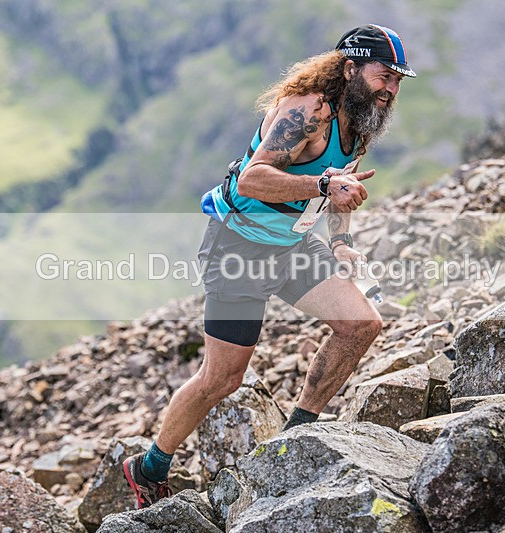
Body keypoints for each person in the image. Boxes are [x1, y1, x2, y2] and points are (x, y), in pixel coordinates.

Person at [122, 24, 415, 509]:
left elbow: (339, 187)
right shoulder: (308, 111)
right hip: (238, 247)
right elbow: (255, 179)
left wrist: (341, 243)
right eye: (384, 75)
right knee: (223, 378)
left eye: (398, 81)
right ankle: (148, 467)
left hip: (291, 248)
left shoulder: (361, 121)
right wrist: (323, 186)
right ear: (350, 68)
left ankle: (293, 439)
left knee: (361, 324)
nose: (391, 89)